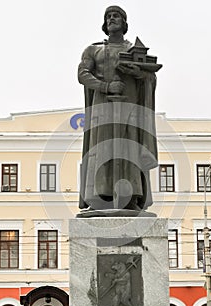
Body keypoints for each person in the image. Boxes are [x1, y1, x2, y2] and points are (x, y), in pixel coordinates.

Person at [78, 5, 159, 211]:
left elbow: (150, 77)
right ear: (104, 24)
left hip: (129, 109)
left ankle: (130, 197)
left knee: (129, 149)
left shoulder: (134, 50)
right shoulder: (93, 50)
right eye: (108, 17)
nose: (112, 19)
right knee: (101, 148)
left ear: (125, 23)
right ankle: (98, 197)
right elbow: (83, 75)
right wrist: (106, 86)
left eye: (116, 16)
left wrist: (139, 74)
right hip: (103, 109)